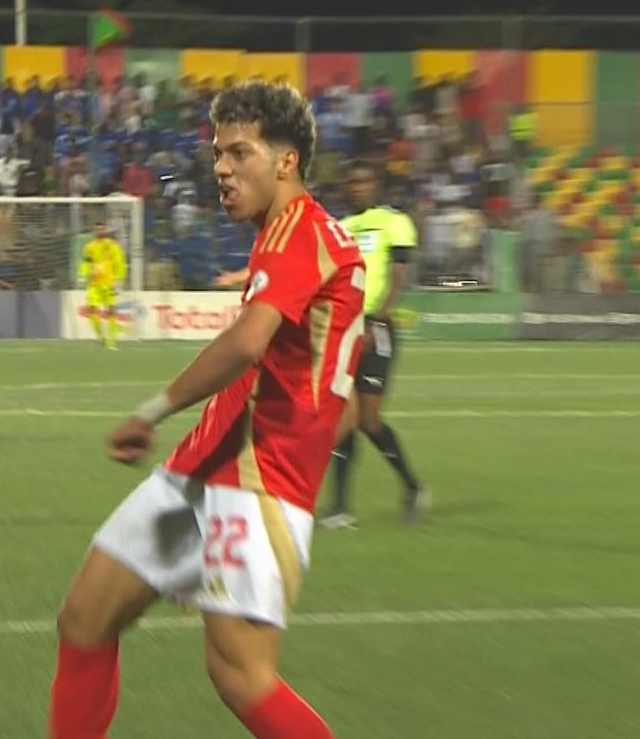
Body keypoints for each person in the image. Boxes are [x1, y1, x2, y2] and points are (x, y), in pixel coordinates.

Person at [48, 81, 363, 739]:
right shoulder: (296, 237)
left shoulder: (300, 230)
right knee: (84, 619)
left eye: (239, 153)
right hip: (203, 468)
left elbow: (247, 343)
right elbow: (346, 400)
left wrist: (150, 411)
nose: (221, 167)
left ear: (287, 162)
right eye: (218, 153)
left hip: (257, 483)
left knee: (240, 675)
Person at [320, 159, 427, 529]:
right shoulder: (340, 228)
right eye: (352, 182)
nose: (358, 187)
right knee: (343, 416)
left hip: (375, 327)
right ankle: (339, 508)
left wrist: (377, 319)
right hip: (344, 327)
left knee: (368, 420)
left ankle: (413, 487)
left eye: (364, 181)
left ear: (376, 185)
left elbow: (398, 278)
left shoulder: (394, 222)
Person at [79, 221, 128, 350]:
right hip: (94, 284)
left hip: (109, 283)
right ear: (94, 231)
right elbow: (86, 262)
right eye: (97, 229)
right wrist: (83, 274)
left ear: (105, 230)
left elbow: (119, 263)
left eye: (102, 229)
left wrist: (119, 279)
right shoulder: (89, 247)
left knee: (111, 310)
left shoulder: (112, 246)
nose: (99, 231)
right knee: (92, 310)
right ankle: (101, 337)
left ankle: (111, 342)